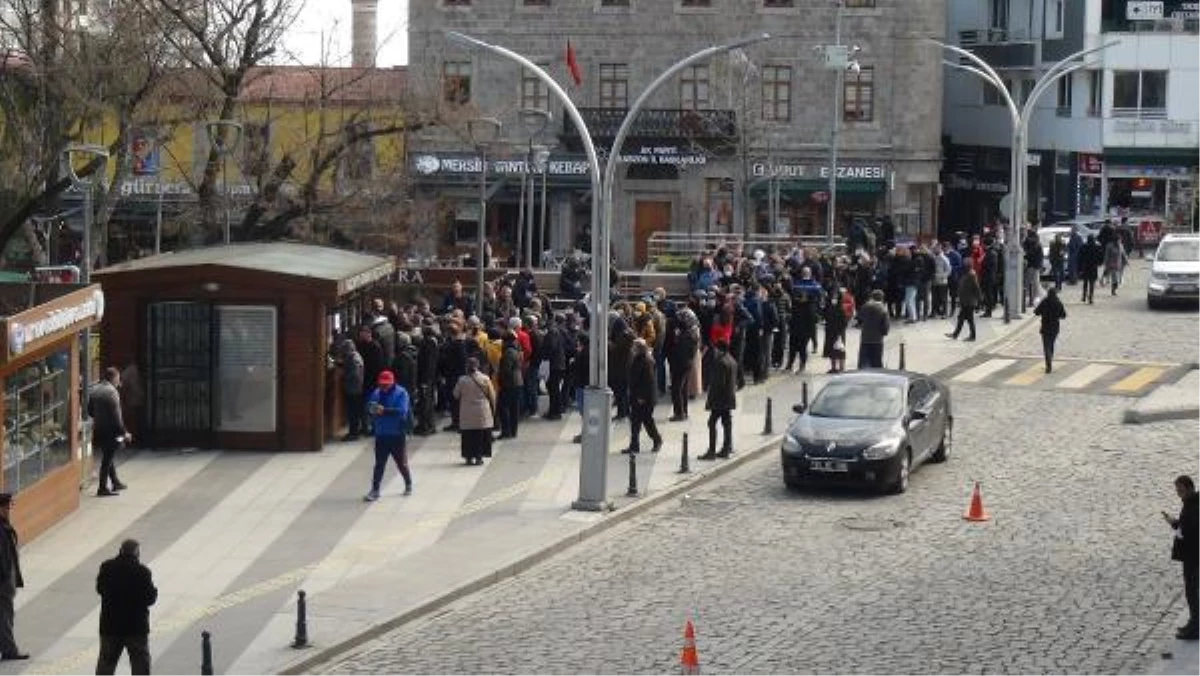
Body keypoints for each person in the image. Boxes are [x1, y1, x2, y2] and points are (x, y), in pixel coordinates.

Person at [95, 539, 157, 676]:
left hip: (110, 626)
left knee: (106, 664)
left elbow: (100, 589)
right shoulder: (142, 572)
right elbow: (150, 598)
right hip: (135, 628)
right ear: (136, 553)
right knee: (140, 664)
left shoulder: (107, 567)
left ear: (121, 551)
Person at [364, 370, 413, 501]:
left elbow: (402, 411)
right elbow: (370, 407)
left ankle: (408, 482)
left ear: (392, 382)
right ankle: (375, 490)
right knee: (379, 463)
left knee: (401, 462)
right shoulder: (376, 393)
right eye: (382, 384)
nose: (384, 387)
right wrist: (371, 409)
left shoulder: (402, 393)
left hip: (397, 434)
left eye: (386, 384)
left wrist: (383, 411)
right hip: (381, 433)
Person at [1165, 475, 1200, 640]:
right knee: (1192, 591)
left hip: (1193, 557)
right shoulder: (1192, 503)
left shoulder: (1193, 507)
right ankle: (1193, 622)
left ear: (1189, 488)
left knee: (1193, 592)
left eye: (1180, 490)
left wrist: (1178, 529)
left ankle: (1196, 627)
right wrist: (1175, 523)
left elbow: (1190, 532)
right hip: (1192, 556)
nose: (1178, 493)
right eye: (1177, 490)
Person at [89, 367, 132, 497]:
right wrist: (125, 433)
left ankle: (115, 482)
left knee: (108, 455)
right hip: (111, 431)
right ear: (114, 378)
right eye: (118, 378)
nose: (119, 381)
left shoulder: (94, 390)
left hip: (99, 429)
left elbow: (89, 411)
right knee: (107, 459)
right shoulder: (112, 392)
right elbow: (116, 416)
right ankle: (102, 487)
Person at [698, 339, 737, 461]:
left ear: (720, 349)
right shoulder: (732, 360)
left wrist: (711, 400)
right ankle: (726, 448)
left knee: (712, 423)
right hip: (729, 398)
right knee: (727, 422)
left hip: (719, 400)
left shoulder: (720, 363)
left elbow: (718, 384)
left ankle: (711, 451)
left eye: (716, 349)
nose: (714, 351)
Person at [452, 358, 495, 466]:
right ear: (478, 366)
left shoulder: (462, 380)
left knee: (468, 436)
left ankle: (469, 457)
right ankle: (479, 457)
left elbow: (455, 394)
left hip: (467, 412)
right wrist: (493, 409)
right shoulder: (485, 378)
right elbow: (492, 396)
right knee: (481, 435)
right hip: (482, 411)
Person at [622, 339, 662, 455]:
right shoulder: (637, 358)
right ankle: (634, 446)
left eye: (634, 347)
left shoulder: (647, 361)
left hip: (645, 398)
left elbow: (648, 381)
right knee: (635, 421)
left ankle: (657, 440)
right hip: (636, 396)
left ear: (639, 348)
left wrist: (642, 397)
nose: (632, 349)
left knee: (647, 421)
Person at [0, 494, 26, 661]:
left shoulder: (4, 526)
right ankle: (9, 651)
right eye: (8, 507)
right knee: (5, 617)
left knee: (5, 616)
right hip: (2, 582)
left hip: (5, 579)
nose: (10, 510)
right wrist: (5, 580)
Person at [1033, 288, 1066, 373]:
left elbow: (1036, 312)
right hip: (1054, 327)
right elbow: (1063, 315)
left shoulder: (1044, 302)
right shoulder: (1058, 303)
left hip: (1045, 326)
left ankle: (1048, 364)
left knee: (1046, 346)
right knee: (1051, 344)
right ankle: (1050, 359)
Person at [338, 339, 365, 441]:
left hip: (353, 389)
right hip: (356, 388)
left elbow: (354, 373)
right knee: (354, 411)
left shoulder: (353, 358)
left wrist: (344, 376)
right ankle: (354, 432)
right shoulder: (355, 356)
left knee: (352, 411)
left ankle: (353, 433)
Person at [857, 289, 890, 370]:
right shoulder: (883, 309)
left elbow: (859, 317)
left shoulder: (866, 306)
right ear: (882, 298)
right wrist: (884, 333)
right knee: (877, 362)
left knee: (864, 362)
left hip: (865, 338)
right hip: (877, 339)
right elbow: (885, 326)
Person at [947, 268, 982, 342]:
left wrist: (979, 303)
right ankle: (956, 334)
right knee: (961, 319)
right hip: (965, 302)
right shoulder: (967, 275)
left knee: (969, 320)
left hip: (969, 303)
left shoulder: (971, 276)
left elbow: (977, 290)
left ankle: (972, 336)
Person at [1078, 234, 1104, 304]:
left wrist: (1079, 267)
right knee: (1092, 283)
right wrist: (1099, 263)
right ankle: (1091, 298)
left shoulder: (1083, 247)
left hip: (1085, 267)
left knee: (1085, 282)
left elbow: (1079, 258)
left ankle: (1084, 296)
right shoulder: (1097, 247)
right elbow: (1101, 256)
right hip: (1093, 267)